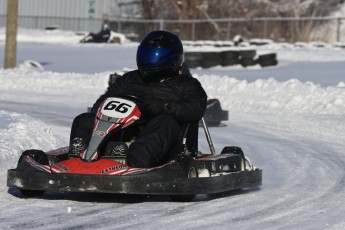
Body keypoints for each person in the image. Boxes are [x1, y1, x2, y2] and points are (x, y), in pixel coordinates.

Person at [70, 30, 207, 168]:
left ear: (172, 57)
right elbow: (101, 104)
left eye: (154, 54)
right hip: (124, 130)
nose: (149, 59)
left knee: (165, 122)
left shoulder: (186, 84)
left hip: (165, 141)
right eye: (146, 53)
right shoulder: (128, 79)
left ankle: (134, 163)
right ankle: (79, 158)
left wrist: (163, 107)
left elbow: (196, 108)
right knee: (84, 119)